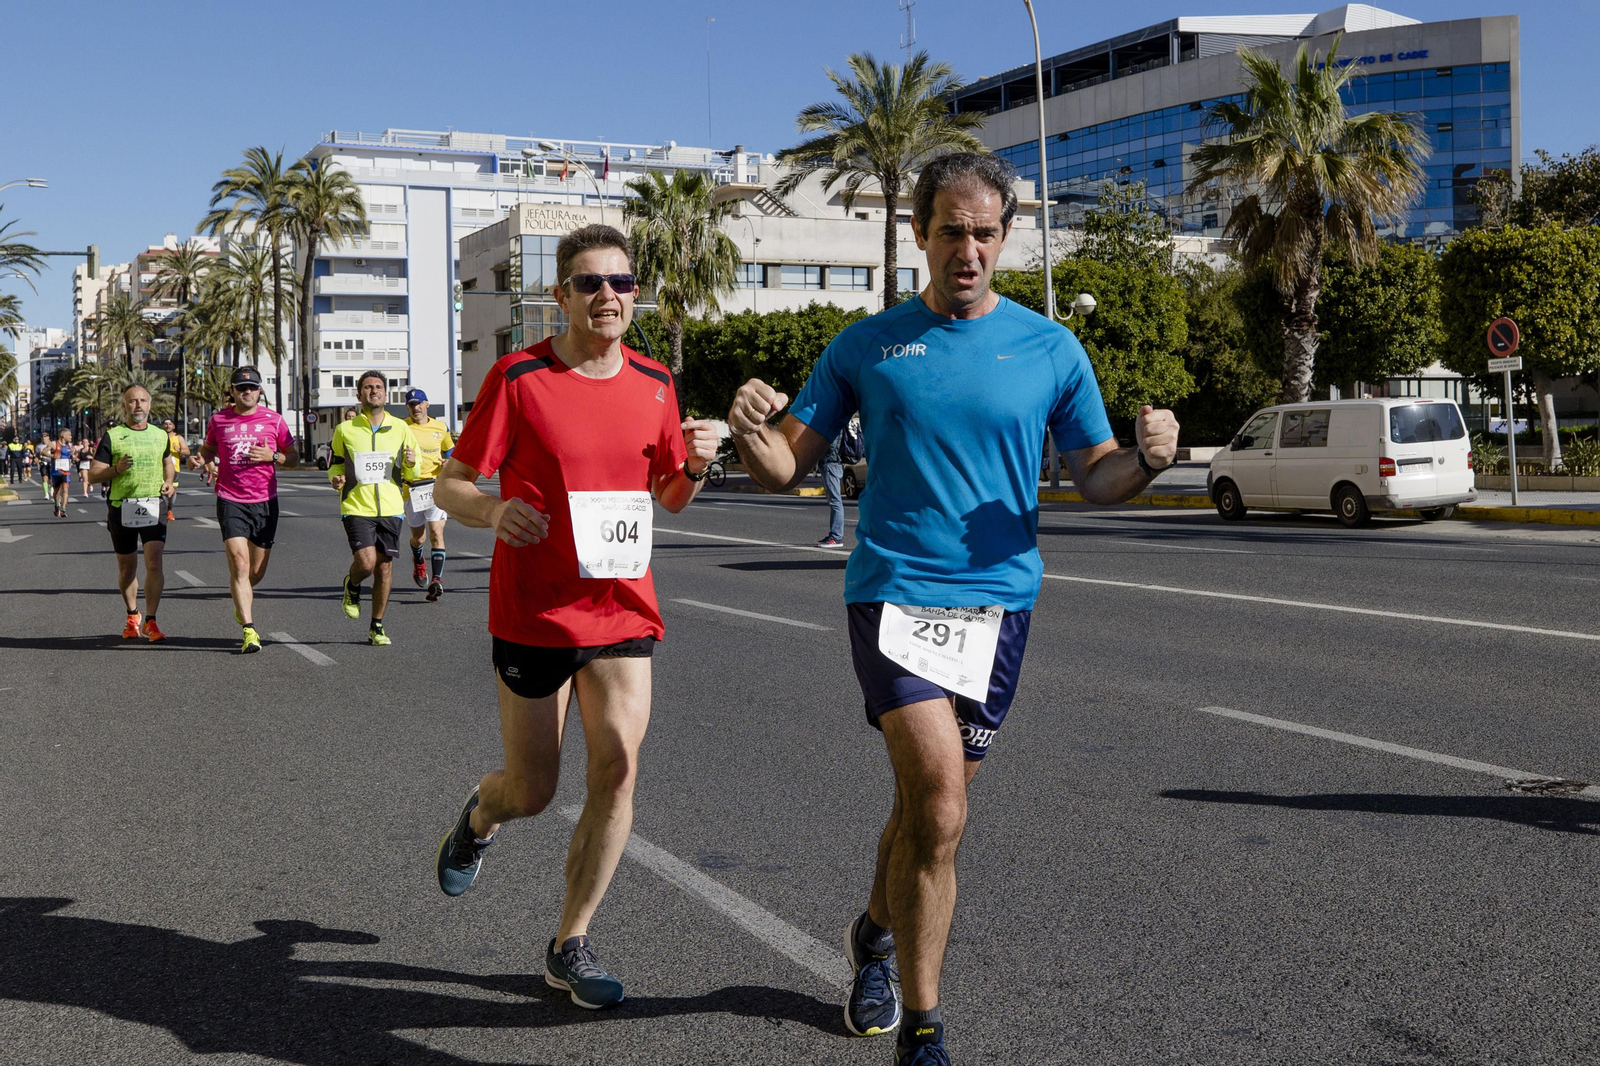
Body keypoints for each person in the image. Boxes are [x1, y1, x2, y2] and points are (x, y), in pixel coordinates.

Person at [727, 154, 1180, 1065]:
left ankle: (875, 935)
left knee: (925, 810)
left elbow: (1095, 475)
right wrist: (746, 429)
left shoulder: (1052, 349)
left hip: (999, 609)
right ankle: (925, 1028)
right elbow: (782, 467)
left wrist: (1150, 461)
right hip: (892, 593)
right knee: (937, 801)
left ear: (1005, 237)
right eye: (949, 231)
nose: (966, 249)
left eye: (983, 232)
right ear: (919, 235)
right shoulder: (866, 346)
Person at [432, 224, 719, 1010]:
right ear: (559, 296)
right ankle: (480, 815)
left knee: (619, 769)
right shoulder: (519, 378)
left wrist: (695, 461)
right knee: (532, 790)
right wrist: (492, 511)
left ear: (636, 293)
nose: (608, 297)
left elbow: (669, 494)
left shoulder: (658, 383)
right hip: (534, 611)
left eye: (621, 283)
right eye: (590, 283)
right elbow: (449, 485)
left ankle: (570, 943)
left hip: (621, 606)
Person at [194, 366, 294, 654]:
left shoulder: (275, 421)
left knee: (257, 571)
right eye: (241, 388)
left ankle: (242, 600)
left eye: (251, 387)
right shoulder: (219, 420)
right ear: (233, 391)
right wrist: (199, 460)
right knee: (239, 565)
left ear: (260, 391)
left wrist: (273, 456)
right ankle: (249, 630)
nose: (246, 392)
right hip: (230, 498)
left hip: (265, 500)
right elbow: (208, 449)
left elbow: (295, 457)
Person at [328, 370, 421, 647]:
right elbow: (336, 463)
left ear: (386, 393)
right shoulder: (345, 429)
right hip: (356, 505)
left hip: (391, 507)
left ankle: (376, 625)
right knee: (367, 562)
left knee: (384, 568)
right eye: (368, 387)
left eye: (378, 387)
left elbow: (412, 472)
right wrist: (335, 477)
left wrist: (412, 461)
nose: (374, 391)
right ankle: (352, 585)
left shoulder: (401, 428)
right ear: (359, 395)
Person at [89, 384, 178, 641]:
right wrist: (115, 469)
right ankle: (132, 614)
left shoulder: (161, 435)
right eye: (132, 401)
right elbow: (94, 474)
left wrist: (169, 482)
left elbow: (167, 463)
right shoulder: (113, 436)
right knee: (127, 568)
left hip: (153, 504)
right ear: (124, 406)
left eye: (142, 401)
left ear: (149, 405)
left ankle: (151, 620)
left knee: (154, 562)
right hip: (121, 506)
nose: (138, 405)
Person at [399, 388, 455, 602]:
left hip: (435, 486)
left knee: (436, 533)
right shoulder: (402, 427)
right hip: (412, 488)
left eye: (419, 403)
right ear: (408, 407)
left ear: (427, 404)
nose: (416, 408)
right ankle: (419, 561)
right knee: (418, 537)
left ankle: (437, 580)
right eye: (412, 404)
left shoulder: (440, 427)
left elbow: (450, 451)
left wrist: (450, 462)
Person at [819, 429, 846, 547]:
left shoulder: (835, 425)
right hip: (834, 464)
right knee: (834, 501)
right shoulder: (838, 423)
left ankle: (836, 537)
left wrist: (822, 460)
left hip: (831, 464)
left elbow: (832, 446)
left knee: (835, 501)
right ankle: (834, 535)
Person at [163, 418, 191, 521]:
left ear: (173, 426)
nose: (168, 426)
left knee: (173, 490)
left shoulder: (178, 438)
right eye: (166, 424)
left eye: (170, 424)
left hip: (174, 468)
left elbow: (187, 451)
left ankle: (169, 510)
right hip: (160, 467)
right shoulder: (160, 436)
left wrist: (179, 450)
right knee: (162, 489)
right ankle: (164, 509)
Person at [47, 429, 75, 517]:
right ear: (63, 436)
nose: (71, 437)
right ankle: (56, 505)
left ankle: (63, 509)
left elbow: (70, 456)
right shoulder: (54, 444)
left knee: (65, 490)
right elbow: (43, 452)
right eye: (69, 435)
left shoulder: (70, 445)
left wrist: (74, 456)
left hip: (66, 471)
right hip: (56, 471)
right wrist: (52, 455)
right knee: (56, 491)